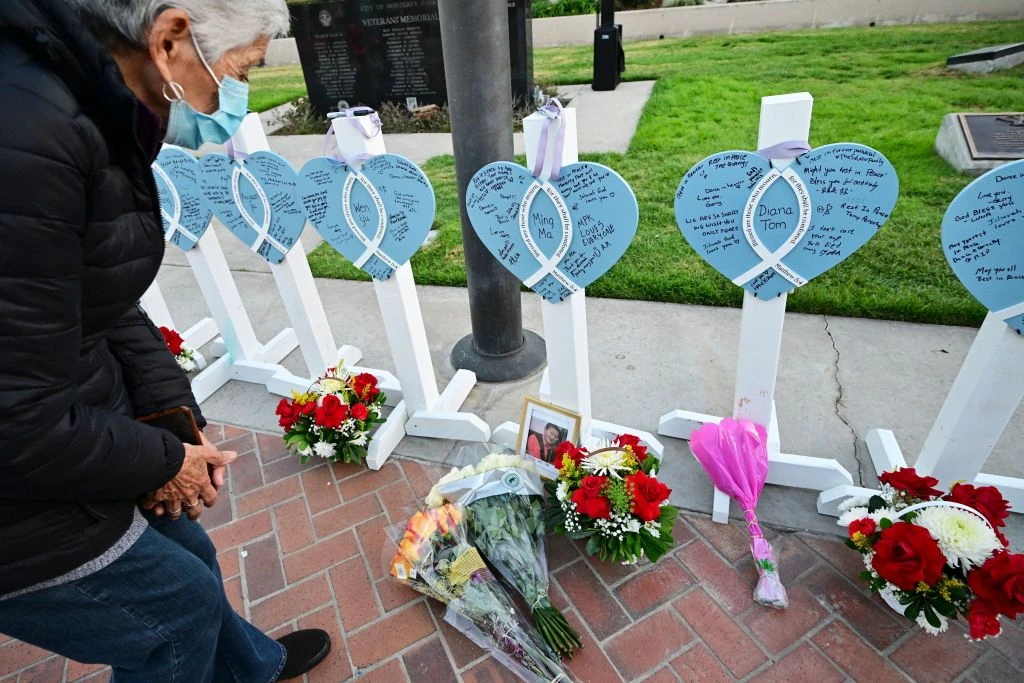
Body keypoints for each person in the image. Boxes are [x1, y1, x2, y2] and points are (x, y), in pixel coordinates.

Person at [0, 1, 330, 680]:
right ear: (172, 39)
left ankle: (249, 670)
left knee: (191, 557)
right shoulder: (33, 137)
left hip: (62, 418)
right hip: (17, 493)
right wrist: (160, 459)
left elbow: (103, 301)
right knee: (174, 610)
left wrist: (177, 425)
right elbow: (19, 420)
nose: (238, 94)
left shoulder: (87, 102)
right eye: (241, 68)